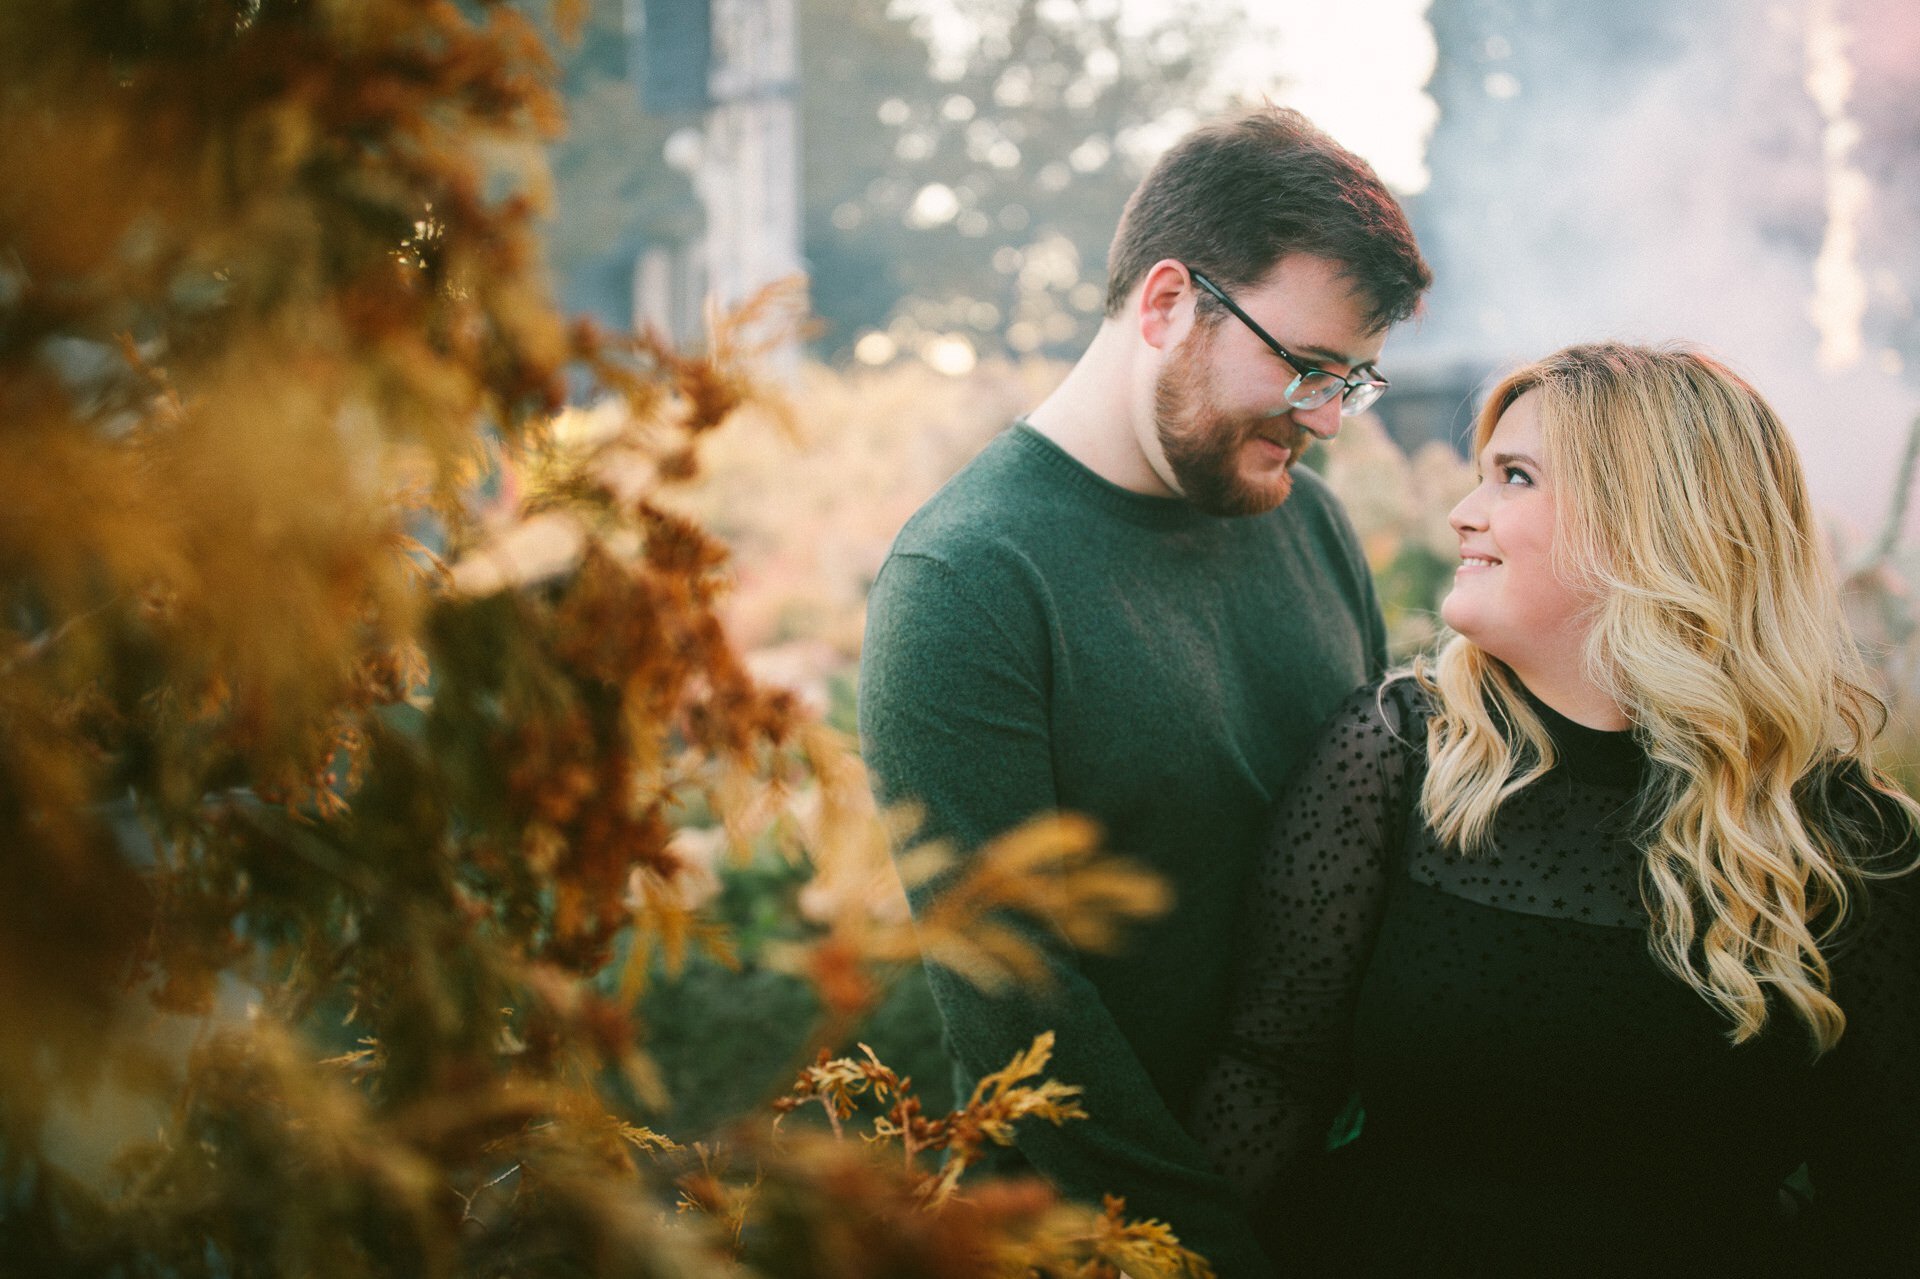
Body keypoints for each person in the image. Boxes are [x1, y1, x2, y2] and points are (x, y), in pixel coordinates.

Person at [1193, 342, 1920, 1275]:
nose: (1465, 512)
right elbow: (1269, 1073)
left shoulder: (1848, 841)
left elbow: (1886, 1203)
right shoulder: (1397, 755)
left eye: (1516, 477)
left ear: (1652, 524)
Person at [857, 106, 1430, 1277]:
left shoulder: (1311, 525)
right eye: (1306, 366)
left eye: (1352, 381)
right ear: (1168, 302)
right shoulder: (966, 583)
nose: (1324, 419)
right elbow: (1021, 1015)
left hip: (1341, 1212)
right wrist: (1206, 1255)